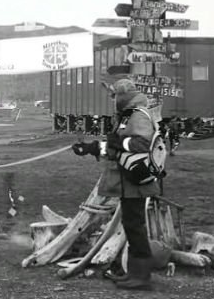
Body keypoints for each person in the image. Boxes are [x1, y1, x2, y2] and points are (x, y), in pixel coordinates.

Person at [72, 79, 160, 290]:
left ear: (122, 96)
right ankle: (135, 274)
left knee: (135, 227)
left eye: (114, 96)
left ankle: (142, 277)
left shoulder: (137, 114)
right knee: (131, 225)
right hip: (128, 179)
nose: (112, 100)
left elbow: (141, 143)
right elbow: (118, 148)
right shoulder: (128, 115)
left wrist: (116, 143)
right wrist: (92, 148)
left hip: (136, 180)